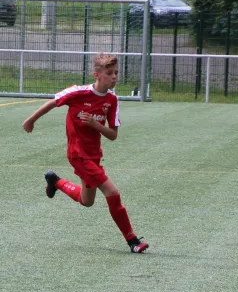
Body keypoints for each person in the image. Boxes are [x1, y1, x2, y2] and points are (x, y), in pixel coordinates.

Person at [22, 53, 149, 253]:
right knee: (113, 192)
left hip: (94, 156)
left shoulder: (112, 100)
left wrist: (94, 124)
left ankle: (55, 181)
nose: (114, 77)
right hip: (78, 155)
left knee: (86, 201)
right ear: (96, 75)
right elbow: (53, 102)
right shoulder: (78, 93)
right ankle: (133, 241)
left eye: (116, 73)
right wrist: (31, 120)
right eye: (109, 73)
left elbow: (113, 135)